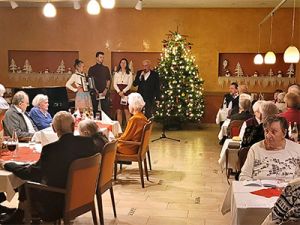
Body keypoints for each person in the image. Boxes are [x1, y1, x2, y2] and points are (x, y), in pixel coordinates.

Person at [1, 111, 99, 223]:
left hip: (59, 200)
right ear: (73, 126)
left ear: (53, 128)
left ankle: (21, 215)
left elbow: (32, 174)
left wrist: (8, 165)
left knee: (25, 184)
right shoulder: (89, 143)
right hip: (84, 194)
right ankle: (20, 215)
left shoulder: (51, 149)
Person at [239, 116, 300, 181]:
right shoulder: (255, 149)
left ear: (284, 133)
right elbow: (244, 176)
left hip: (288, 189)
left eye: (274, 132)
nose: (268, 136)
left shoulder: (297, 149)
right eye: (266, 131)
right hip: (259, 189)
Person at [88, 51, 111, 116]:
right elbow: (90, 80)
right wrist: (95, 90)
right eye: (101, 57)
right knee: (95, 109)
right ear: (97, 58)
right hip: (95, 92)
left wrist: (106, 90)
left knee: (105, 110)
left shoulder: (106, 68)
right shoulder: (91, 69)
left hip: (104, 92)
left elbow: (108, 80)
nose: (102, 59)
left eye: (103, 57)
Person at [112, 58, 133, 126]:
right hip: (118, 93)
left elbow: (130, 84)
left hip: (126, 93)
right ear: (120, 64)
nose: (123, 64)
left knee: (127, 111)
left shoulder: (129, 73)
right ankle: (119, 129)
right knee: (119, 111)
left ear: (126, 64)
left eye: (124, 62)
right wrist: (119, 92)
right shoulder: (117, 73)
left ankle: (129, 129)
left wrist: (123, 91)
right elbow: (114, 84)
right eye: (121, 62)